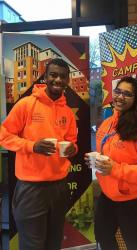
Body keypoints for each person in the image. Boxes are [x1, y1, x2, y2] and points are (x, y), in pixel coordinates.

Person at [0, 58, 78, 250]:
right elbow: (4, 136)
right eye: (53, 75)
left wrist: (72, 149)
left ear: (67, 80)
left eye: (62, 76)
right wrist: (32, 146)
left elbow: (73, 144)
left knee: (54, 242)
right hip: (31, 188)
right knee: (32, 245)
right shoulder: (26, 104)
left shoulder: (67, 112)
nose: (58, 80)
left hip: (59, 187)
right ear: (45, 77)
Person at [85, 76, 137, 250]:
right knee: (103, 237)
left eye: (127, 94)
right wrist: (95, 162)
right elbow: (107, 156)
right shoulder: (106, 124)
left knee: (135, 245)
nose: (120, 96)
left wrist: (115, 169)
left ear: (136, 99)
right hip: (108, 196)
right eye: (118, 91)